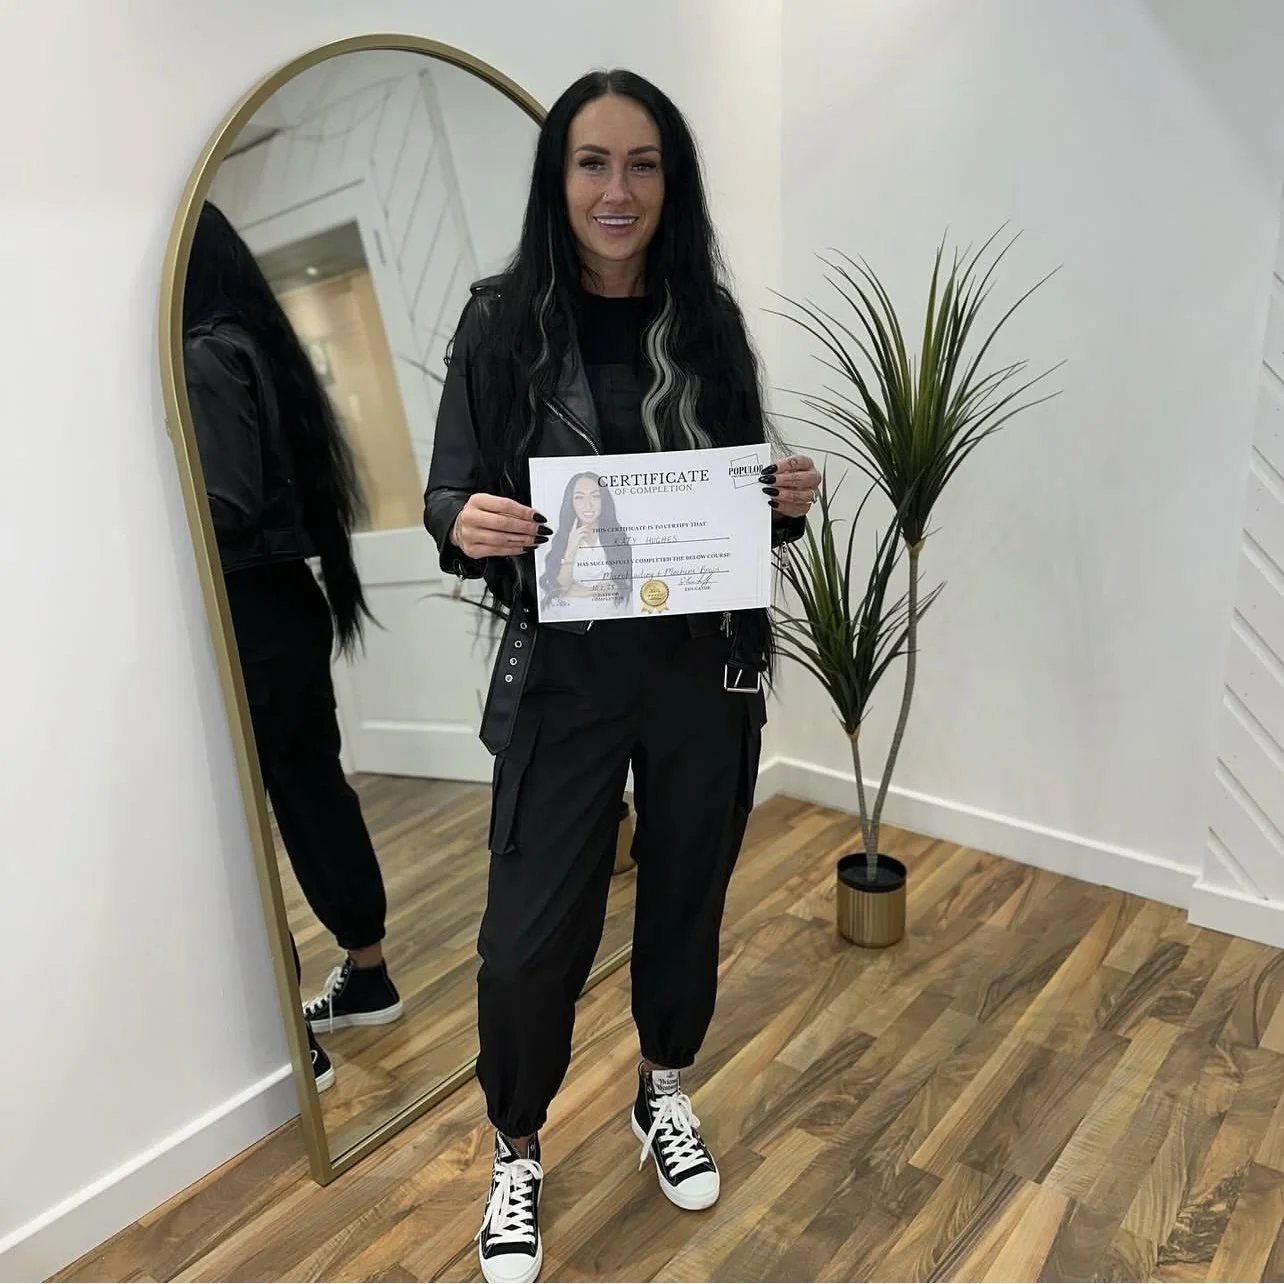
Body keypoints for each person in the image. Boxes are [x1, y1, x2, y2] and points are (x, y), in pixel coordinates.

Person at [424, 71, 819, 1283]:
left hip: (704, 669)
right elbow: (448, 491)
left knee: (687, 892)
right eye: (592, 163)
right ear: (559, 180)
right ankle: (516, 1147)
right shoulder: (501, 322)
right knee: (525, 940)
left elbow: (742, 502)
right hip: (567, 676)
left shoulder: (706, 322)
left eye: (641, 164)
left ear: (670, 182)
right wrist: (464, 523)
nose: (616, 190)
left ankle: (662, 1087)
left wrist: (785, 504)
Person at [183, 202, 404, 1093]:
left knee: (238, 821)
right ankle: (370, 972)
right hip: (286, 607)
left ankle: (290, 1040)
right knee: (315, 792)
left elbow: (225, 508)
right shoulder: (260, 348)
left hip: (246, 608)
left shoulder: (205, 353)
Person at [538, 471, 631, 609]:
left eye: (595, 496)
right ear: (571, 502)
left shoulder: (615, 536)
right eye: (579, 497)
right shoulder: (562, 538)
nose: (588, 505)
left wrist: (583, 591)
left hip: (613, 612)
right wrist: (570, 550)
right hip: (568, 616)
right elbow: (560, 588)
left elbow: (625, 583)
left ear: (603, 500)